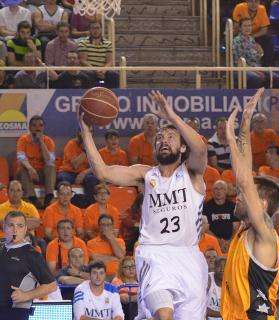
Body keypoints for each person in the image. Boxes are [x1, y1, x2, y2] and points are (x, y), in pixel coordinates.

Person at [79, 90, 209, 319]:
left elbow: (200, 148)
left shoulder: (193, 174)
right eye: (159, 138)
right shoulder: (146, 175)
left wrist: (170, 115)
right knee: (163, 314)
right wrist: (87, 132)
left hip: (189, 257)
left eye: (170, 137)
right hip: (154, 254)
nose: (163, 141)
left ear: (182, 148)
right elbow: (102, 171)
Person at [221, 88, 279, 319]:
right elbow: (245, 178)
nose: (238, 195)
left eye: (246, 195)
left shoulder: (265, 233)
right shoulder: (245, 230)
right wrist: (245, 124)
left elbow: (244, 179)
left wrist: (231, 138)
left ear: (262, 204)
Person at [0, 211, 56, 320]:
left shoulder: (31, 254)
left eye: (20, 226)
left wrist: (26, 295)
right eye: (11, 225)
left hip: (15, 313)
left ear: (25, 229)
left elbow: (51, 285)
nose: (15, 230)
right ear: (4, 227)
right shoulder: (1, 246)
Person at [16, 115, 55, 208]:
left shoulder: (48, 141)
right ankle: (32, 198)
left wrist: (41, 142)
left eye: (40, 125)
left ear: (43, 127)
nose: (37, 128)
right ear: (29, 128)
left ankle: (49, 197)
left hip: (41, 175)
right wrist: (30, 169)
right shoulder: (23, 140)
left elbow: (49, 161)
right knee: (23, 168)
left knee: (51, 167)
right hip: (27, 174)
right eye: (34, 125)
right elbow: (21, 158)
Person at [233, 19, 279, 89]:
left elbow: (256, 58)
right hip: (243, 68)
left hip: (256, 67)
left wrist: (260, 52)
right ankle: (253, 98)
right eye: (245, 26)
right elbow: (239, 62)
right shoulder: (236, 41)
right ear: (240, 28)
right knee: (256, 78)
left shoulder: (251, 39)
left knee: (276, 78)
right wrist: (256, 71)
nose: (248, 28)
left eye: (249, 26)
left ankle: (265, 96)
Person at [232, 0, 274, 66]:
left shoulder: (262, 9)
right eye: (251, 1)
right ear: (247, 2)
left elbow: (264, 30)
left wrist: (252, 37)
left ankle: (267, 66)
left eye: (256, 1)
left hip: (255, 36)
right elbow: (236, 27)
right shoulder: (239, 7)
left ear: (259, 2)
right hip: (241, 36)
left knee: (268, 39)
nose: (253, 4)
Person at [78, 21, 118, 88]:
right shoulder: (83, 43)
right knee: (88, 74)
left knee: (114, 75)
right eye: (93, 28)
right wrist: (96, 70)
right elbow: (83, 61)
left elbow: (110, 61)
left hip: (103, 70)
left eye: (97, 28)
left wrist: (103, 71)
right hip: (90, 69)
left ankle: (112, 95)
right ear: (90, 30)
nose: (95, 30)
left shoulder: (108, 44)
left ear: (101, 29)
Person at [87, 214, 125, 280]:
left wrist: (111, 239)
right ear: (99, 227)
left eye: (108, 225)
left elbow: (121, 256)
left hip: (118, 277)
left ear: (113, 226)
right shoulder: (91, 243)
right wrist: (115, 258)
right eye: (103, 225)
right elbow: (95, 258)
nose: (106, 228)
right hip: (99, 277)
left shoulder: (120, 241)